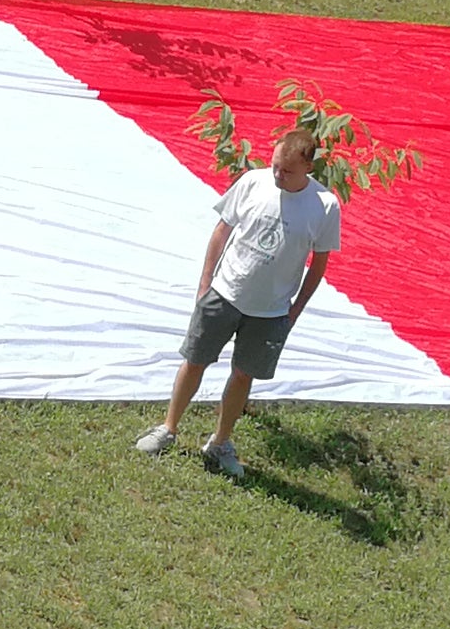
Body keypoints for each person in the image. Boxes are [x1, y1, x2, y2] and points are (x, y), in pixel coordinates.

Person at [133, 112, 341, 481]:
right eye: (275, 166)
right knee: (194, 360)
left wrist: (294, 311)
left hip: (271, 310)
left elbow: (318, 264)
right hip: (225, 293)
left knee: (243, 375)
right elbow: (221, 231)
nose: (277, 176)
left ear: (309, 167)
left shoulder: (324, 207)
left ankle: (220, 442)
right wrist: (205, 283)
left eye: (287, 171)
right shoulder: (252, 183)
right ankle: (168, 428)